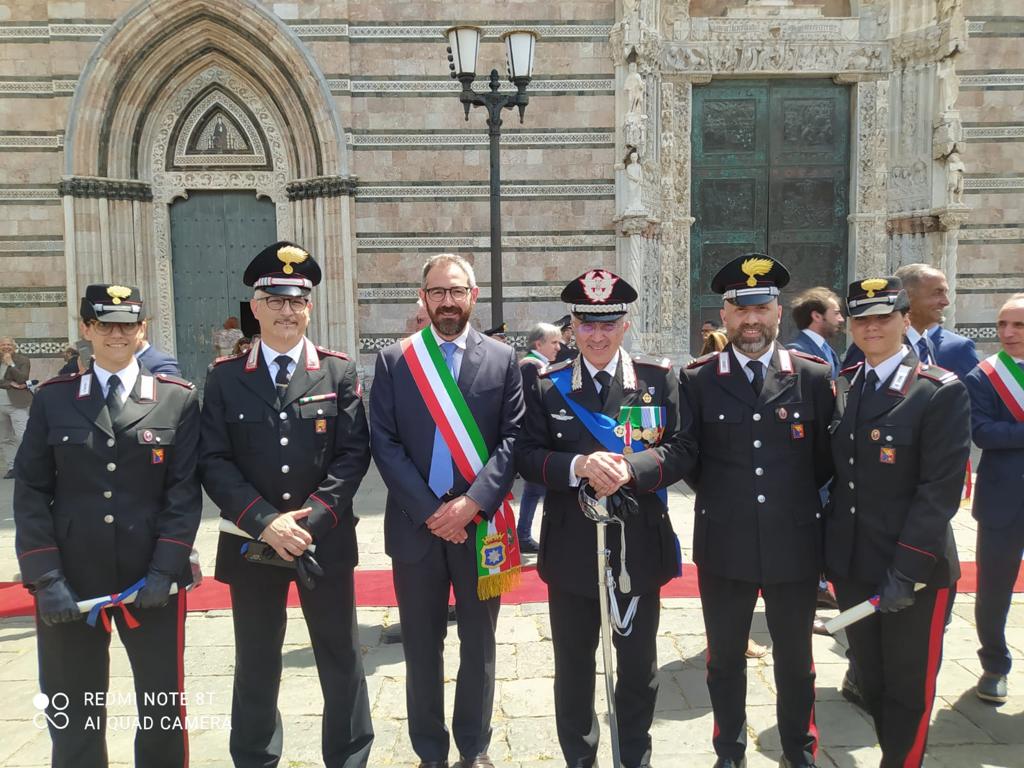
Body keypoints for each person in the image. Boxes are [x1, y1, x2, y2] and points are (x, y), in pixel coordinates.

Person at [199, 241, 374, 768]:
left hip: (324, 540)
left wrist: (311, 520)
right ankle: (255, 757)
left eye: (297, 301)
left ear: (309, 308)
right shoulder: (226, 377)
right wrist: (265, 521)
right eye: (275, 300)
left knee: (340, 657)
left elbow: (352, 456)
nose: (287, 311)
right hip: (253, 542)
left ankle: (349, 757)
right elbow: (213, 459)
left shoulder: (338, 373)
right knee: (255, 660)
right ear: (255, 307)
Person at [13, 284, 201, 767]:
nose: (117, 334)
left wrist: (166, 569)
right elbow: (31, 491)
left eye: (128, 324)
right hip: (72, 578)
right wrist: (45, 577)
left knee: (161, 704)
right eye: (105, 324)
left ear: (142, 329)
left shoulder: (176, 399)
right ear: (86, 329)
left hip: (150, 577)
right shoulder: (54, 400)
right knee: (72, 706)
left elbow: (183, 494)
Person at [516, 269, 697, 768]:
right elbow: (525, 454)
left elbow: (683, 449)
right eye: (587, 325)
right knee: (574, 668)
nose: (597, 336)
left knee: (638, 668)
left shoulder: (657, 379)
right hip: (572, 547)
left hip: (638, 545)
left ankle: (634, 757)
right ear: (572, 327)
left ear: (625, 325)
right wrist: (577, 465)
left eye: (608, 324)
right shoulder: (546, 384)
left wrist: (632, 468)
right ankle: (581, 759)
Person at [369, 253, 523, 768]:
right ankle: (430, 752)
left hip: (481, 529)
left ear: (473, 296)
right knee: (421, 647)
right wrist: (432, 512)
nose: (448, 301)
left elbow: (513, 440)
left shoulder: (503, 359)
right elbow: (384, 442)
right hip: (416, 529)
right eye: (437, 292)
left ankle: (474, 749)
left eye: (457, 291)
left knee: (479, 646)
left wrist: (471, 505)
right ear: (423, 297)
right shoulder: (395, 361)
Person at [680, 254, 834, 768]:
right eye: (740, 309)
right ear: (724, 315)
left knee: (797, 661)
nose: (751, 320)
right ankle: (729, 752)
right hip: (725, 542)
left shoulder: (812, 376)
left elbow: (823, 462)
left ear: (778, 313)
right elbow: (692, 460)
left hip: (795, 542)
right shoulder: (697, 379)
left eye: (761, 308)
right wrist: (733, 500)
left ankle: (799, 750)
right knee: (724, 659)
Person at [825, 276, 970, 768]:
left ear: (906, 321)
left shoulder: (937, 391)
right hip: (854, 567)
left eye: (884, 317)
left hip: (914, 572)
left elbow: (939, 493)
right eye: (861, 318)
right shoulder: (846, 385)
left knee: (908, 691)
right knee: (871, 682)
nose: (871, 327)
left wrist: (906, 571)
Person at [965, 293, 1024, 704]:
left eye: (1018, 325)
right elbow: (982, 432)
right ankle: (994, 665)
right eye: (1003, 324)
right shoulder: (984, 376)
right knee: (994, 589)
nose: (1008, 332)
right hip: (1003, 499)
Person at [841, 264, 979, 380]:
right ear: (907, 298)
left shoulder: (937, 345)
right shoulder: (870, 344)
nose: (946, 302)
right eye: (937, 293)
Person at [516, 322, 562, 553]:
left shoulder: (538, 365)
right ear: (538, 344)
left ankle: (523, 534)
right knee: (546, 490)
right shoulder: (531, 367)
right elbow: (531, 408)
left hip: (538, 438)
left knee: (534, 490)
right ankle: (528, 536)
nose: (559, 347)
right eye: (554, 342)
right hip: (536, 439)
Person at [788, 287, 844, 379]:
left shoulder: (826, 348)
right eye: (836, 313)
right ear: (817, 316)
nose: (841, 319)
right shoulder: (797, 352)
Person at [1, 335, 32, 479]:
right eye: (3, 345)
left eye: (9, 344)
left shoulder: (23, 360)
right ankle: (12, 467)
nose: (6, 347)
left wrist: (11, 364)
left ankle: (29, 465)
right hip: (0, 406)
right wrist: (9, 384)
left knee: (23, 436)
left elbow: (22, 379)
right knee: (5, 438)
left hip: (17, 404)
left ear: (14, 346)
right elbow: (10, 382)